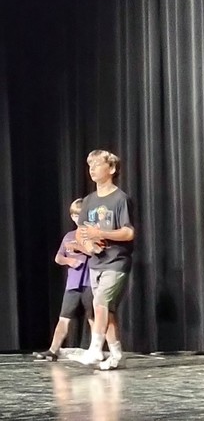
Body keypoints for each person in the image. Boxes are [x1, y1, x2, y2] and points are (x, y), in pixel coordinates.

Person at [72, 150, 136, 370]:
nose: (92, 169)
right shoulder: (89, 201)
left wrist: (102, 234)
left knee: (100, 302)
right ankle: (117, 354)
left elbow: (128, 233)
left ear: (111, 169)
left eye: (97, 164)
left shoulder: (120, 199)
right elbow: (81, 232)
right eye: (90, 165)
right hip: (95, 262)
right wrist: (89, 245)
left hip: (116, 261)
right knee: (105, 309)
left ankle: (95, 349)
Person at [34, 199, 94, 361]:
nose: (76, 218)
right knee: (64, 318)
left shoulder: (93, 234)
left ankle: (97, 350)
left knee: (93, 319)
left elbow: (98, 252)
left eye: (79, 214)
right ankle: (53, 350)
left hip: (90, 283)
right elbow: (58, 257)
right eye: (74, 215)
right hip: (73, 285)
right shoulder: (69, 236)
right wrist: (70, 261)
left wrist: (78, 248)